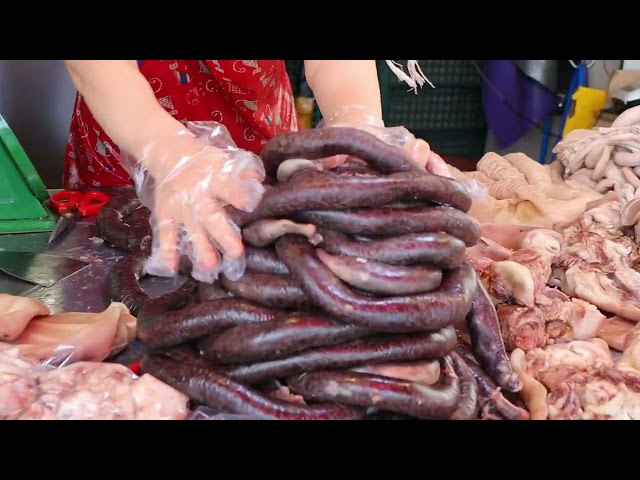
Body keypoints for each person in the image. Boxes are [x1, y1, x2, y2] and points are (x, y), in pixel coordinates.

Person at [63, 60, 447, 283]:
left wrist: (357, 123)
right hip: (135, 145)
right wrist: (168, 151)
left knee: (278, 264)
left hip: (261, 132)